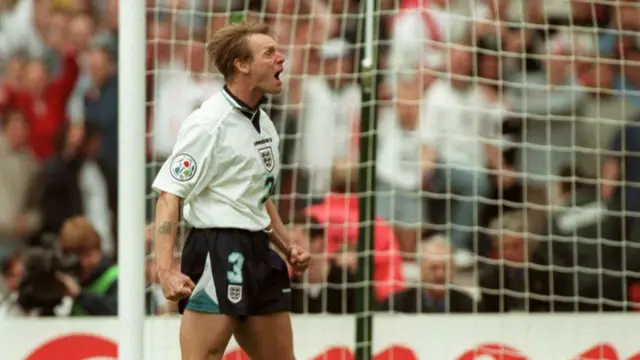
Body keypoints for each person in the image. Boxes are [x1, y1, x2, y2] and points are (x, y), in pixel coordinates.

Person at [152, 22, 310, 360]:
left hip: (260, 253)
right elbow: (169, 194)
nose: (281, 59)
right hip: (219, 248)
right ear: (241, 64)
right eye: (269, 53)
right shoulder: (208, 123)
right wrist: (165, 269)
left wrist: (286, 245)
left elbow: (255, 195)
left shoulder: (265, 124)